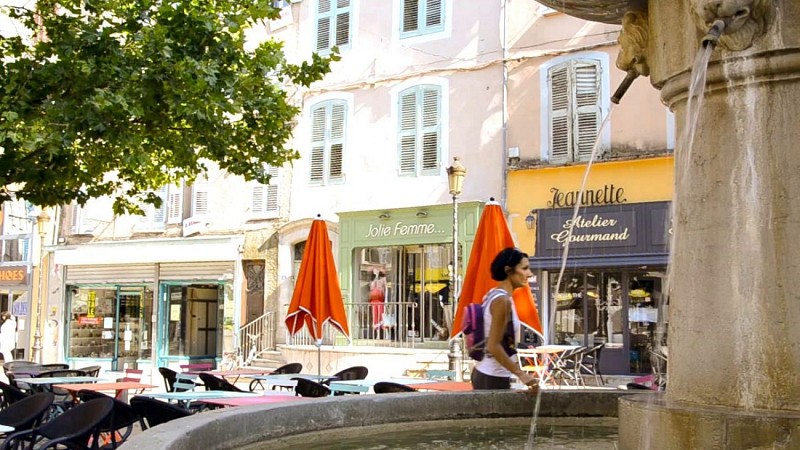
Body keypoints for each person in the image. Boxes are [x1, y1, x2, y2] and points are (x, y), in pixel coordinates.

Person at [471, 248, 538, 390]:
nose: (530, 274)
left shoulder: (493, 295)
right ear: (508, 270)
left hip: (489, 373)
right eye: (524, 268)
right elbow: (493, 345)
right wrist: (522, 375)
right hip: (492, 377)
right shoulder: (502, 301)